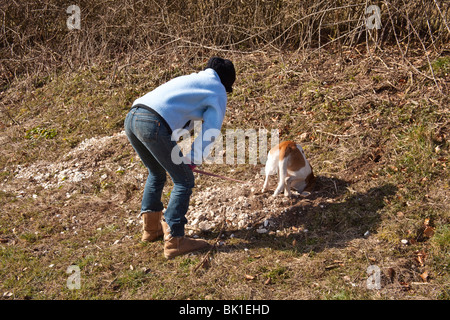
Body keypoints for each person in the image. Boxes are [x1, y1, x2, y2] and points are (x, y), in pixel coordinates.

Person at [124, 57, 236, 259]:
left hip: (133, 116)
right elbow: (211, 129)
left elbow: (178, 118)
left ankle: (151, 229)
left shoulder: (192, 81)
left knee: (156, 172)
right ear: (225, 82)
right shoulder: (217, 89)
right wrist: (192, 159)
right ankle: (175, 239)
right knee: (183, 180)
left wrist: (177, 154)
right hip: (152, 123)